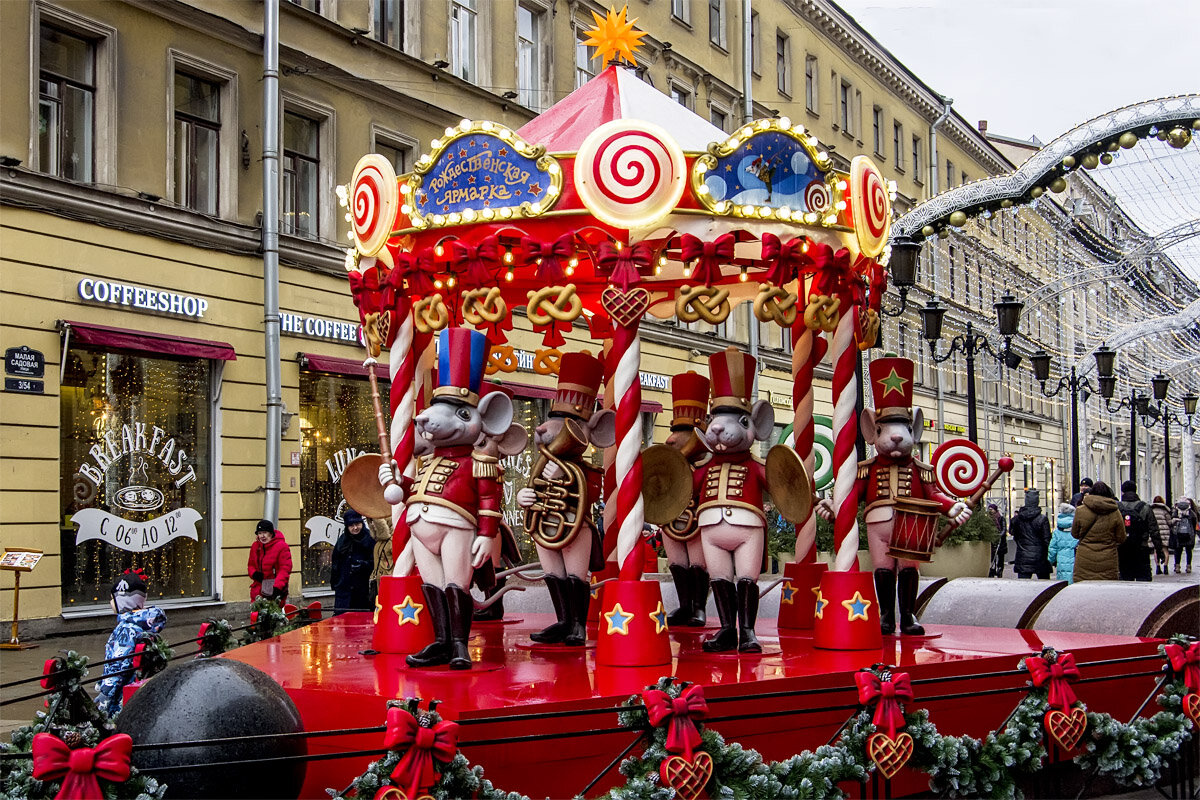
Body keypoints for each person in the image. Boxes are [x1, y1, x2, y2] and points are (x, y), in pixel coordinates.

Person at [95, 568, 166, 716]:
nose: (110, 602)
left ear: (122, 600)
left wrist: (103, 698)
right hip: (134, 687)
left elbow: (118, 667)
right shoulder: (142, 624)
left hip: (120, 699)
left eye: (111, 598)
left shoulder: (126, 630)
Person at [1072, 481, 1125, 581]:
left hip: (1084, 557)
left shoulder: (1080, 510)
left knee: (1083, 590)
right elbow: (1121, 537)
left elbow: (1074, 534)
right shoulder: (1115, 512)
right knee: (1106, 591)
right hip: (1108, 557)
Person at [331, 509, 375, 614]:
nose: (355, 528)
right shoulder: (343, 540)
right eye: (351, 525)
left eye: (357, 524)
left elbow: (376, 562)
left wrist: (364, 565)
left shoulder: (369, 539)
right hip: (343, 591)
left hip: (362, 591)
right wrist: (336, 583)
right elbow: (335, 563)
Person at [248, 519, 292, 604]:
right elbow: (251, 565)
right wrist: (254, 574)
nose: (262, 536)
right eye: (260, 533)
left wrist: (278, 587)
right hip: (257, 591)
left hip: (275, 590)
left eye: (265, 532)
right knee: (256, 615)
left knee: (274, 615)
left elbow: (285, 569)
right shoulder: (255, 546)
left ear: (271, 534)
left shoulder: (282, 546)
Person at [1117, 481, 1154, 582]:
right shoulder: (1145, 507)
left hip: (1123, 548)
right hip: (1141, 547)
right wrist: (1159, 550)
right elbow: (1154, 529)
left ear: (1122, 492)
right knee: (1143, 579)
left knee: (1125, 579)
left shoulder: (1118, 507)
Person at [1010, 489, 1051, 579]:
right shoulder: (1042, 519)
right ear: (1037, 501)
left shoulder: (1017, 519)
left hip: (1023, 555)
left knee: (1023, 587)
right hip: (1040, 557)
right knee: (1045, 586)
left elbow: (1013, 534)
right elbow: (1047, 539)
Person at [1048, 502, 1078, 584]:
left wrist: (1051, 560)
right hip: (1075, 560)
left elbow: (1052, 548)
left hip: (1061, 561)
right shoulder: (1077, 529)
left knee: (1063, 582)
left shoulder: (1057, 532)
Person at [1171, 497, 1197, 574]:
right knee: (1189, 551)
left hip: (1178, 534)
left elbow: (1172, 522)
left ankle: (1177, 566)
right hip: (1189, 534)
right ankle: (1188, 566)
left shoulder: (1176, 511)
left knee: (1178, 551)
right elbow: (1194, 522)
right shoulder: (1191, 512)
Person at [1150, 496, 1173, 575]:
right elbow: (1169, 522)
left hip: (1155, 532)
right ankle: (1166, 567)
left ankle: (1158, 567)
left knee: (1156, 550)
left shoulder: (1151, 510)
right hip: (1164, 532)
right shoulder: (1165, 510)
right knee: (1165, 550)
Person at [987, 503, 1007, 577]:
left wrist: (999, 535)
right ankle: (992, 570)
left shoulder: (1001, 518)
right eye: (989, 509)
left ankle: (1000, 569)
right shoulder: (989, 519)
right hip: (992, 541)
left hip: (1000, 541)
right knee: (992, 556)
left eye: (991, 509)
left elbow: (1004, 529)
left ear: (995, 510)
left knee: (1000, 557)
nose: (990, 511)